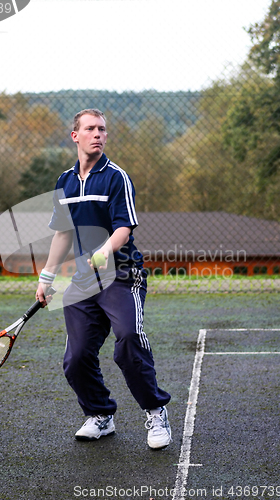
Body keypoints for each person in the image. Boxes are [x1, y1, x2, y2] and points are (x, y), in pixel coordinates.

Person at [36, 109, 171, 449]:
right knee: (77, 356)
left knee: (127, 337)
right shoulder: (64, 182)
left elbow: (123, 228)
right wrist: (47, 278)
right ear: (75, 136)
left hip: (121, 275)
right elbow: (62, 236)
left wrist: (104, 252)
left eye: (102, 129)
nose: (98, 134)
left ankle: (155, 411)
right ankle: (100, 415)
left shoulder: (116, 177)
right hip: (81, 281)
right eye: (90, 129)